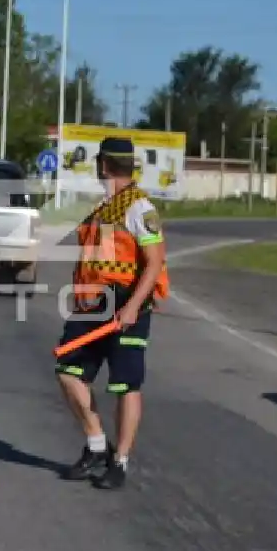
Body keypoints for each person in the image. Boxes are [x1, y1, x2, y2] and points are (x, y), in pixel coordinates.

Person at [55, 136, 169, 490]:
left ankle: (119, 461)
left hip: (126, 305)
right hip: (93, 306)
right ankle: (97, 445)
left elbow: (154, 262)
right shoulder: (106, 206)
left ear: (104, 164)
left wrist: (133, 306)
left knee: (125, 384)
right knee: (68, 371)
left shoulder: (139, 208)